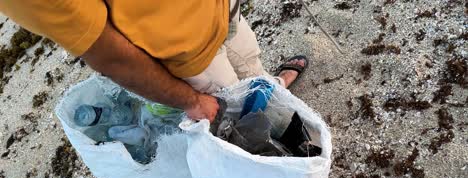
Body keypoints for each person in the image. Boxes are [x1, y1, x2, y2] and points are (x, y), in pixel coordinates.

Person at [0, 0, 308, 122]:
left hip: (223, 11)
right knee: (243, 121)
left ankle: (275, 88)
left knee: (253, 67)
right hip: (194, 59)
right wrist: (191, 100)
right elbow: (110, 56)